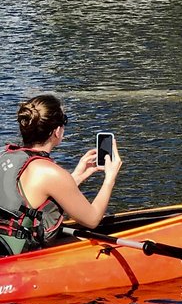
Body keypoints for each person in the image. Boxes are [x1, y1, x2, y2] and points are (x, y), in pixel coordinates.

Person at [0, 94, 123, 255]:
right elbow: (92, 220)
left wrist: (78, 175)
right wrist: (110, 178)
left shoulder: (4, 155)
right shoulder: (50, 172)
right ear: (57, 131)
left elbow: (33, 195)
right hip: (19, 256)